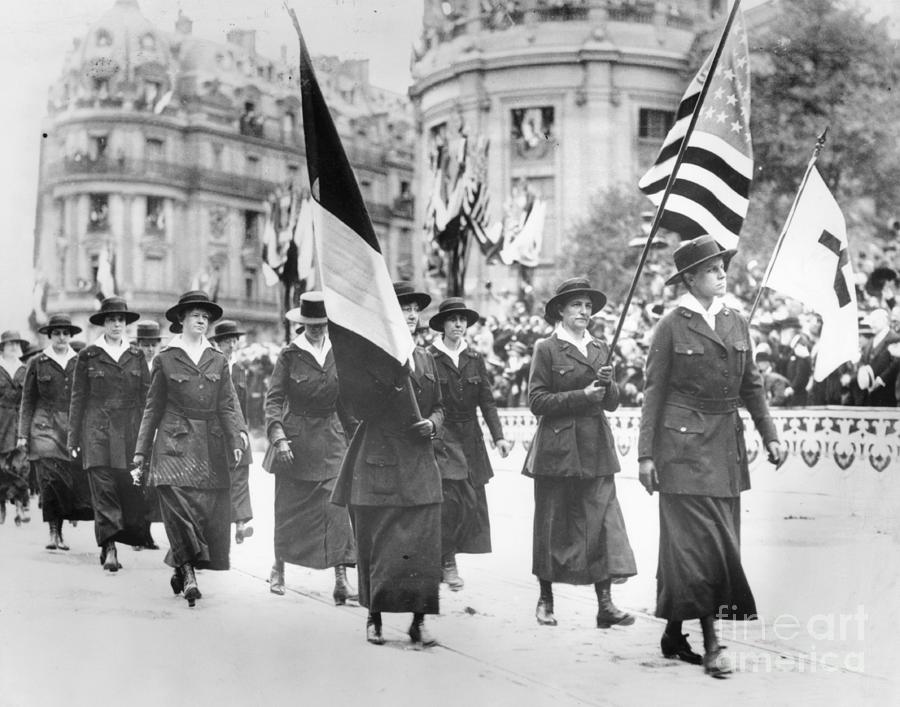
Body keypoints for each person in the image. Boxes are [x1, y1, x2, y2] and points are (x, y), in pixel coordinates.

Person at [637, 235, 786, 679]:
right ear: (689, 278)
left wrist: (771, 435)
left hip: (725, 451)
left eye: (723, 267)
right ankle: (712, 642)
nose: (722, 274)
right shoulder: (671, 324)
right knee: (701, 548)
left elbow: (752, 386)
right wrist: (646, 456)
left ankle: (672, 632)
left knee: (713, 545)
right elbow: (653, 392)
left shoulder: (737, 321)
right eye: (711, 269)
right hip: (680, 451)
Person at [332, 282, 444, 647]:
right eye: (403, 309)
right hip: (378, 461)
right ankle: (374, 617)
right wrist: (392, 376)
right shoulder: (371, 358)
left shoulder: (426, 358)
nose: (411, 316)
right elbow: (356, 405)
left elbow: (440, 406)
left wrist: (433, 424)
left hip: (419, 464)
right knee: (377, 542)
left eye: (415, 310)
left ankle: (419, 620)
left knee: (422, 547)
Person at [523, 277, 637, 629]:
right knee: (552, 524)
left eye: (588, 306)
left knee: (601, 523)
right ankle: (546, 599)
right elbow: (536, 401)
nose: (584, 312)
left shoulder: (601, 347)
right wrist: (581, 396)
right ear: (561, 310)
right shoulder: (547, 348)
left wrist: (609, 383)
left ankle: (606, 605)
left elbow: (614, 403)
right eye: (577, 305)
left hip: (596, 449)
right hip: (556, 450)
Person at [133, 291, 246, 607]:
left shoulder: (218, 360)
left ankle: (180, 567)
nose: (201, 320)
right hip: (173, 444)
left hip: (208, 446)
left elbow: (227, 404)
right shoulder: (166, 358)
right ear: (181, 319)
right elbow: (152, 408)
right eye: (195, 315)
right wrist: (141, 453)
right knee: (179, 509)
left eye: (206, 317)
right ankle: (190, 574)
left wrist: (236, 438)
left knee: (200, 513)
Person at [264, 293, 356, 603]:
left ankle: (341, 577)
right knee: (288, 510)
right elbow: (274, 400)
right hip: (295, 442)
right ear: (302, 324)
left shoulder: (340, 352)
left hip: (331, 440)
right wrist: (278, 437)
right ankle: (279, 567)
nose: (317, 330)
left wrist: (357, 437)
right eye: (312, 325)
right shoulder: (289, 355)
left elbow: (346, 403)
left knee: (337, 508)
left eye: (322, 324)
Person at [426, 297, 512, 590]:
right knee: (450, 501)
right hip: (443, 435)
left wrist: (498, 436)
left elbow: (487, 401)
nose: (459, 324)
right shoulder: (430, 358)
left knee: (471, 502)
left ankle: (443, 557)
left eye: (462, 319)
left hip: (471, 438)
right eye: (453, 319)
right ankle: (448, 563)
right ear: (443, 325)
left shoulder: (474, 359)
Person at [67, 298, 150, 571]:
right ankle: (110, 546)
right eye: (112, 319)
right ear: (103, 322)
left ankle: (111, 540)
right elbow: (78, 399)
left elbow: (147, 398)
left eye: (121, 320)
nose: (117, 324)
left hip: (128, 432)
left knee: (124, 487)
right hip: (96, 431)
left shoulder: (136, 356)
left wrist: (147, 437)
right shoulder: (88, 356)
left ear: (126, 324)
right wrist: (72, 439)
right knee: (103, 490)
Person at [18, 314, 93, 549]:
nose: (61, 337)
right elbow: (28, 400)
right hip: (44, 426)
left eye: (65, 333)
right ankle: (53, 532)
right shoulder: (37, 363)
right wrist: (22, 434)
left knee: (66, 481)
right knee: (49, 479)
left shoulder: (80, 361)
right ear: (50, 336)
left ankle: (60, 529)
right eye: (57, 333)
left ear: (71, 336)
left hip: (71, 426)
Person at [210, 319, 254, 544]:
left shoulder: (239, 369)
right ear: (217, 342)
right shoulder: (211, 365)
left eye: (234, 340)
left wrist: (244, 430)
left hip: (237, 428)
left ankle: (240, 523)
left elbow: (243, 404)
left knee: (241, 474)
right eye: (227, 340)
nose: (231, 344)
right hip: (215, 431)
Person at [134, 319, 164, 550]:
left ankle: (146, 531)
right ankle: (137, 531)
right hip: (134, 429)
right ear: (139, 345)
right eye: (146, 344)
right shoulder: (132, 366)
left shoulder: (161, 365)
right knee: (135, 481)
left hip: (156, 430)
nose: (150, 349)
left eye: (153, 344)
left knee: (151, 485)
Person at [0, 330, 31, 526]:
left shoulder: (25, 369)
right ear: (2, 347)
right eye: (9, 344)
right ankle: (1, 501)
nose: (13, 347)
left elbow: (30, 398)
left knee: (21, 465)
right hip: (1, 421)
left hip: (20, 420)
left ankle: (20, 502)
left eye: (16, 344)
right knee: (1, 465)